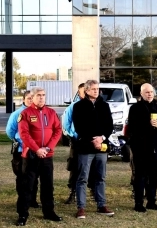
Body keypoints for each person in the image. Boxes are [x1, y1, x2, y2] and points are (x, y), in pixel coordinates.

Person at [16, 87, 63, 226]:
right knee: (27, 186)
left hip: (47, 156)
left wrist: (48, 148)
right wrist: (37, 149)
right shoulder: (25, 113)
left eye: (43, 95)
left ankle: (49, 212)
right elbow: (24, 134)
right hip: (31, 156)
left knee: (48, 186)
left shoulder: (51, 112)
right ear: (32, 97)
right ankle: (22, 215)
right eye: (38, 95)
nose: (41, 97)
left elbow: (58, 130)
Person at [72, 80, 114, 219]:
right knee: (82, 178)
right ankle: (81, 208)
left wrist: (101, 138)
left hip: (101, 148)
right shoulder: (78, 106)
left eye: (98, 89)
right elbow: (79, 127)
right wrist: (92, 139)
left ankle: (101, 205)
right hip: (85, 147)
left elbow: (109, 125)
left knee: (100, 177)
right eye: (93, 89)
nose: (96, 91)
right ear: (87, 90)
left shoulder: (104, 106)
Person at [127, 83, 157, 212]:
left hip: (155, 147)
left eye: (151, 92)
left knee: (154, 176)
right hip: (140, 147)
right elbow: (132, 127)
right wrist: (148, 124)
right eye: (147, 92)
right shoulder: (135, 108)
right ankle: (138, 203)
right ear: (141, 93)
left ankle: (151, 201)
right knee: (140, 176)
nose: (149, 94)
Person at [63, 83, 96, 204]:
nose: (86, 93)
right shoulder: (73, 106)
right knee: (75, 166)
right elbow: (66, 124)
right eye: (84, 91)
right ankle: (73, 191)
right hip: (78, 141)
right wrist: (73, 136)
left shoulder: (95, 105)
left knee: (93, 166)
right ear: (80, 92)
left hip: (92, 140)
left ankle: (93, 190)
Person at [6, 91, 40, 209]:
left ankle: (33, 200)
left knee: (34, 176)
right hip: (22, 150)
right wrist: (20, 141)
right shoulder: (17, 114)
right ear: (24, 100)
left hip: (36, 150)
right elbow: (10, 131)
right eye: (28, 98)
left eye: (32, 98)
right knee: (22, 176)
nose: (31, 100)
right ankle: (22, 200)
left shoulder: (38, 112)